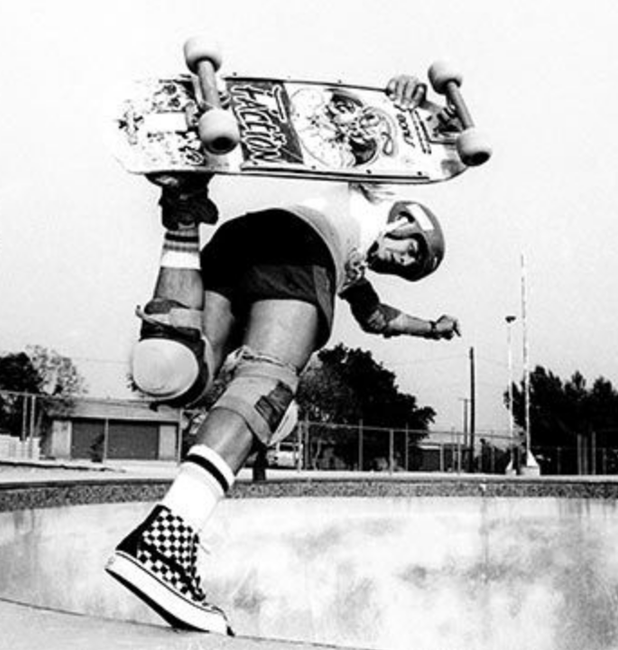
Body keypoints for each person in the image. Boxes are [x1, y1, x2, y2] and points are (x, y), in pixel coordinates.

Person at [105, 74, 461, 635]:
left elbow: (376, 318)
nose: (402, 262)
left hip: (244, 240)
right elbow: (383, 139)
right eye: (410, 249)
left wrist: (430, 329)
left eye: (411, 269)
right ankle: (166, 541)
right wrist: (408, 102)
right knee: (267, 384)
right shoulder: (376, 197)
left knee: (181, 371)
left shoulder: (354, 268)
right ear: (403, 220)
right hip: (300, 251)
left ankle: (182, 212)